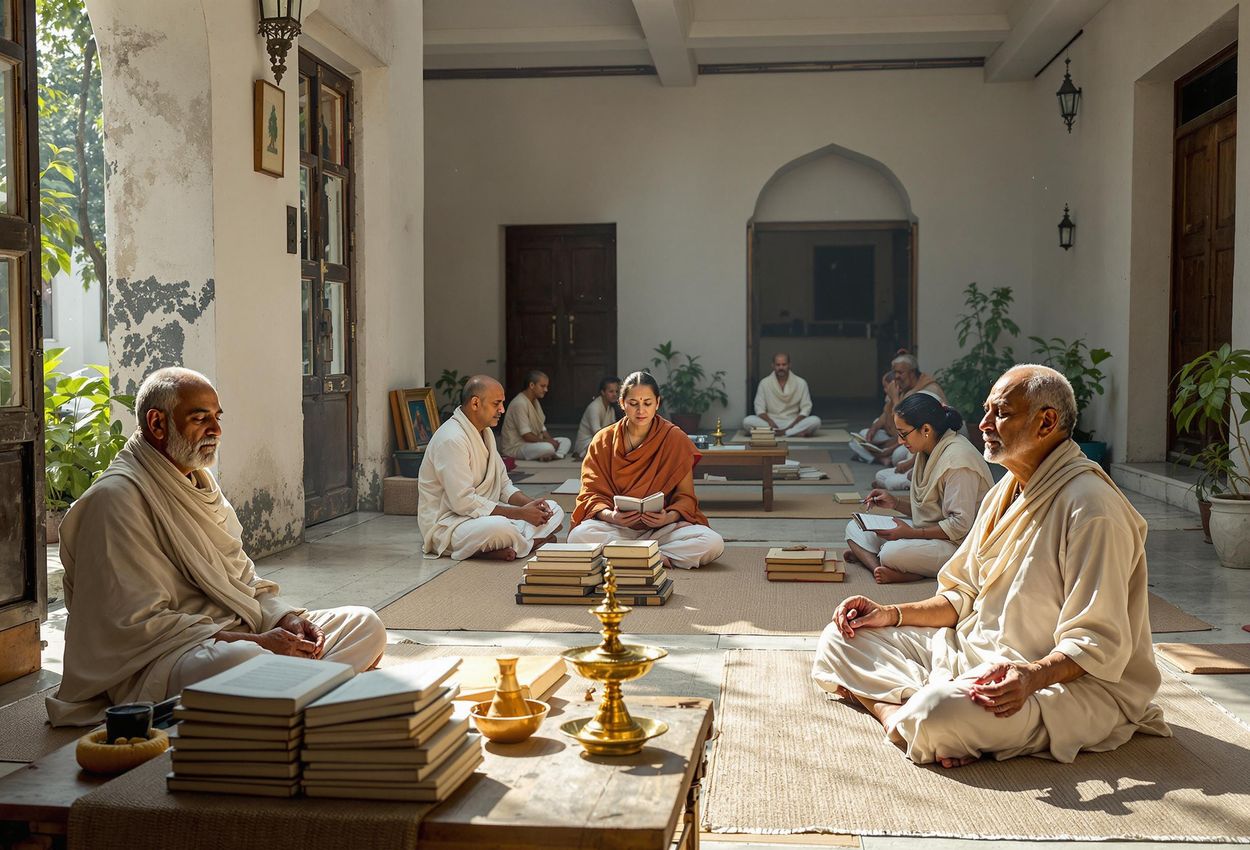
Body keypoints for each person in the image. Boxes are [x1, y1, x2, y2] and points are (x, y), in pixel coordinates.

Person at [812, 365, 1168, 768]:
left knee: (937, 714)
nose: (982, 424)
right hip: (968, 651)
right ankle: (895, 715)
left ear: (1046, 421)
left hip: (1050, 684)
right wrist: (889, 614)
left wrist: (1030, 676)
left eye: (1000, 413)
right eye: (986, 411)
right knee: (841, 637)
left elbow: (1096, 643)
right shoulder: (1007, 490)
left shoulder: (1091, 507)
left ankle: (914, 708)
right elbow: (960, 595)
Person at [46, 368, 387, 726]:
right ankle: (298, 689)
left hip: (241, 631)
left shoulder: (201, 485)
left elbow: (244, 580)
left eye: (217, 418)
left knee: (365, 624)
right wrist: (259, 644)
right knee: (235, 662)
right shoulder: (114, 500)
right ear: (157, 424)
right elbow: (131, 626)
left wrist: (284, 619)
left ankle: (284, 692)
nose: (216, 431)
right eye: (200, 419)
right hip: (167, 656)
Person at [568, 371, 724, 569]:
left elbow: (685, 497)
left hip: (661, 529)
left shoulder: (674, 438)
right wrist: (611, 516)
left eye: (647, 403)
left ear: (657, 403)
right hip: (616, 527)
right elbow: (590, 494)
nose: (641, 410)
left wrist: (668, 517)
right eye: (633, 403)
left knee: (712, 542)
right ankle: (651, 556)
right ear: (622, 403)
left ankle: (627, 555)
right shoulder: (603, 440)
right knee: (578, 536)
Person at [844, 393, 992, 584]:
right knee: (855, 527)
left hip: (962, 546)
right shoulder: (928, 451)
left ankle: (890, 564)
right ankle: (878, 568)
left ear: (926, 429)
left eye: (903, 434)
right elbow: (929, 511)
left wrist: (910, 534)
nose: (899, 441)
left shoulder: (958, 461)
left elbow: (959, 526)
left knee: (891, 552)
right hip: (931, 536)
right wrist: (895, 502)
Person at [419, 375, 564, 561]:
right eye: (497, 404)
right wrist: (520, 514)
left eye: (502, 403)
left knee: (555, 509)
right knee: (499, 528)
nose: (502, 410)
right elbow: (462, 502)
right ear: (475, 403)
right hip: (451, 524)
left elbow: (504, 486)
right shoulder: (452, 439)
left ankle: (505, 546)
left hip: (486, 515)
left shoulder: (485, 432)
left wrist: (533, 507)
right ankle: (532, 542)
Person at [850, 352, 946, 464]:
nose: (896, 377)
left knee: (897, 456)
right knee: (862, 435)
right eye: (895, 372)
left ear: (912, 373)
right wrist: (873, 429)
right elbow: (885, 416)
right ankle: (880, 459)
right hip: (898, 437)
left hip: (920, 441)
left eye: (900, 373)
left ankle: (880, 458)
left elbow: (909, 428)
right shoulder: (904, 387)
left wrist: (895, 399)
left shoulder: (927, 390)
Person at [743, 353, 821, 437]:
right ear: (773, 365)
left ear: (789, 365)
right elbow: (759, 408)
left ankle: (777, 433)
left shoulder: (801, 383)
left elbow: (806, 408)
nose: (781, 368)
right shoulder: (764, 383)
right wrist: (770, 422)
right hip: (771, 422)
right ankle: (793, 433)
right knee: (747, 421)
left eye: (784, 364)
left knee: (816, 421)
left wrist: (792, 425)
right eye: (778, 365)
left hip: (793, 421)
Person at [500, 370, 571, 461]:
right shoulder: (519, 403)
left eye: (546, 386)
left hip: (533, 443)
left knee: (565, 441)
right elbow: (526, 435)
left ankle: (554, 455)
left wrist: (551, 441)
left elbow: (542, 428)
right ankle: (550, 453)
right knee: (547, 447)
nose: (546, 390)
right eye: (542, 386)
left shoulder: (535, 401)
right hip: (516, 447)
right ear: (532, 385)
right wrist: (548, 442)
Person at [575, 376, 621, 457]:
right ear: (603, 392)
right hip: (587, 444)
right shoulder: (594, 407)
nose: (615, 394)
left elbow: (613, 428)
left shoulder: (611, 408)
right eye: (611, 391)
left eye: (616, 391)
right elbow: (596, 432)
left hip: (602, 441)